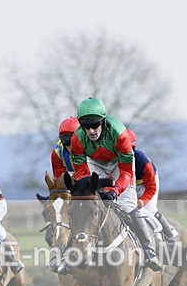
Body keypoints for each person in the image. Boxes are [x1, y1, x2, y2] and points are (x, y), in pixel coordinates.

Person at [63, 97, 161, 271]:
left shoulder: (119, 134)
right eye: (87, 127)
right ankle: (67, 255)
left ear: (103, 121)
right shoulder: (77, 139)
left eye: (95, 125)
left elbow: (126, 173)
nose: (91, 131)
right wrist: (91, 188)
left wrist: (115, 190)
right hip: (95, 162)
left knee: (127, 204)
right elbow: (82, 173)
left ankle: (149, 251)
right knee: (83, 206)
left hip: (120, 163)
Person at [125, 129, 179, 245]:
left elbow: (151, 188)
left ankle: (169, 236)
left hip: (147, 184)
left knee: (148, 210)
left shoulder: (143, 162)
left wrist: (142, 201)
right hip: (130, 186)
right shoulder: (114, 161)